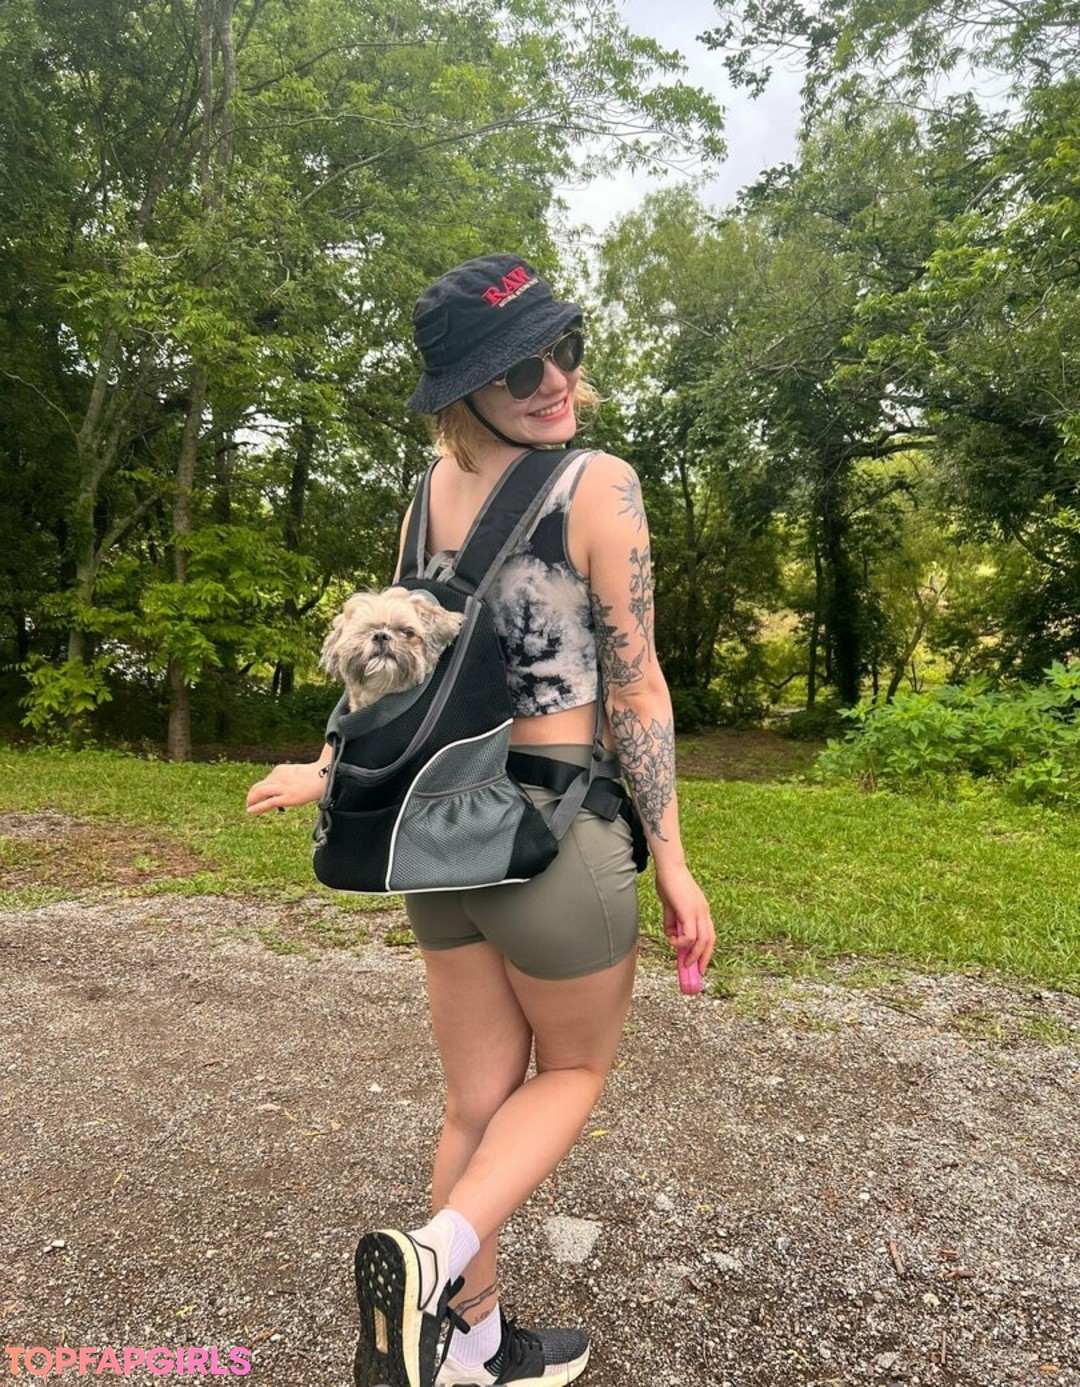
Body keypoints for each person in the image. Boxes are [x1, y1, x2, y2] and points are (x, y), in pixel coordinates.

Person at [246, 253, 715, 1387]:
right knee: (575, 1070)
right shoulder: (598, 483)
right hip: (553, 834)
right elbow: (637, 688)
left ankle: (476, 1344)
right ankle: (433, 1255)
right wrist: (672, 859)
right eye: (518, 369)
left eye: (564, 350)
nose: (554, 380)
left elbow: (394, 662)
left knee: (474, 1102)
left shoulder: (429, 494)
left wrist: (329, 763)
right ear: (466, 388)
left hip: (440, 837)